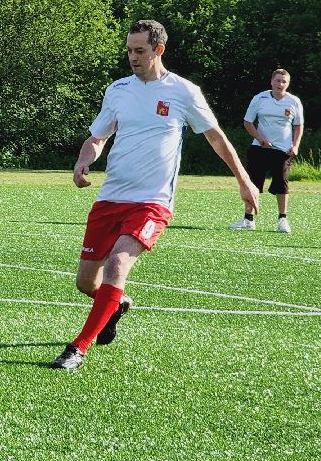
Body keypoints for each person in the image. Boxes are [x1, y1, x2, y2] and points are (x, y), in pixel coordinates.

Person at [52, 19, 259, 371]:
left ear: (158, 50)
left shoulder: (184, 91)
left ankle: (78, 348)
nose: (132, 57)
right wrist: (83, 160)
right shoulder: (118, 90)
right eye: (129, 51)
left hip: (153, 202)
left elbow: (216, 137)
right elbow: (98, 137)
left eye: (140, 51)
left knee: (118, 264)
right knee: (86, 283)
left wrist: (244, 180)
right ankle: (116, 304)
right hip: (111, 198)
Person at [231, 68, 305, 234]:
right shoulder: (259, 98)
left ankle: (282, 220)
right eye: (278, 80)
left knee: (282, 184)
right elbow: (248, 122)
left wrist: (295, 145)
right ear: (271, 81)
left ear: (288, 84)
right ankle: (248, 220)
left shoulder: (294, 101)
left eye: (284, 81)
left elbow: (298, 126)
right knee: (253, 183)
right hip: (259, 148)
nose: (280, 84)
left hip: (283, 150)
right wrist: (260, 139)